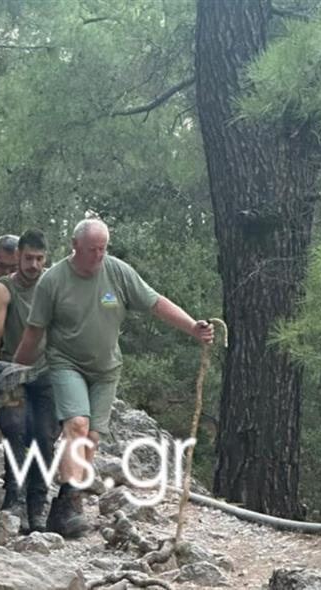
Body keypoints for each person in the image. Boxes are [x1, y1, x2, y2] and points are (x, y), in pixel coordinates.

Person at [13, 219, 214, 538]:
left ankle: (64, 506)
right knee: (77, 425)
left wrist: (192, 327)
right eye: (91, 249)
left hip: (106, 369)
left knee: (92, 438)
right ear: (74, 246)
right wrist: (14, 372)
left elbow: (155, 302)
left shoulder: (118, 272)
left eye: (102, 249)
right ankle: (71, 502)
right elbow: (34, 332)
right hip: (66, 363)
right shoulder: (53, 281)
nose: (97, 255)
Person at [0, 229, 60, 531]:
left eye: (39, 259)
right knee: (14, 428)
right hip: (13, 370)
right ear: (18, 256)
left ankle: (38, 504)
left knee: (45, 435)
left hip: (47, 371)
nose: (34, 265)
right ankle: (14, 498)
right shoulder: (5, 287)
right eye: (28, 258)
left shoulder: (53, 285)